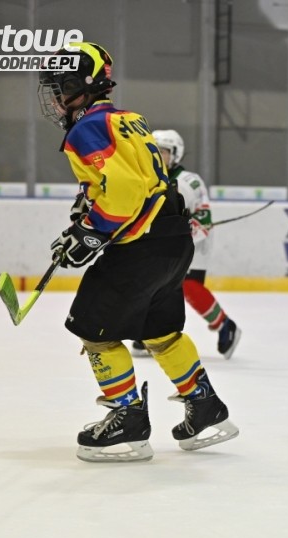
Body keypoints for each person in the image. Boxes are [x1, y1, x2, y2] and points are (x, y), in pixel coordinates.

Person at [38, 41, 239, 463]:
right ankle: (205, 406)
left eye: (62, 87)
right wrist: (87, 209)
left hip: (140, 246)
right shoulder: (127, 119)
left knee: (94, 330)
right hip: (173, 238)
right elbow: (135, 179)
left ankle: (127, 420)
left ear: (85, 86)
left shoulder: (85, 128)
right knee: (161, 332)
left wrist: (91, 232)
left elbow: (126, 190)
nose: (56, 99)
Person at [131, 130, 240, 360]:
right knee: (152, 283)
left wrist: (181, 234)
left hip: (194, 243)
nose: (157, 156)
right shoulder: (145, 179)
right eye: (153, 151)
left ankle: (224, 325)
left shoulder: (190, 181)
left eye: (163, 152)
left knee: (189, 286)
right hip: (161, 241)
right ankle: (150, 331)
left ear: (176, 154)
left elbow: (203, 218)